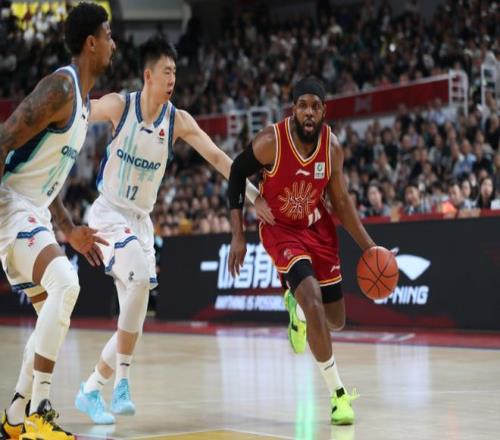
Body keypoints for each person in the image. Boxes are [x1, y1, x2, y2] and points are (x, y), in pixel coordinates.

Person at [74, 37, 273, 425]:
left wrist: (253, 197)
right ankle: (122, 383)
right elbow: (78, 112)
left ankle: (91, 389)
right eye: (167, 72)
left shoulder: (177, 120)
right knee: (137, 280)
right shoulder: (120, 106)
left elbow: (218, 157)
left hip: (141, 221)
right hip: (108, 213)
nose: (173, 80)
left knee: (134, 316)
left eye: (175, 73)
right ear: (148, 75)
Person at [227, 77, 377, 425]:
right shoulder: (271, 141)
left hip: (317, 228)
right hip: (280, 229)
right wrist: (238, 234)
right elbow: (236, 173)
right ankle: (338, 396)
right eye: (303, 105)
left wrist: (369, 248)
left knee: (335, 320)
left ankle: (297, 310)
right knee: (312, 299)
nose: (309, 112)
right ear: (293, 109)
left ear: (324, 111)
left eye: (315, 106)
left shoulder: (332, 148)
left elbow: (340, 201)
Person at [0, 3, 115, 439]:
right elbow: (3, 140)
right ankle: (40, 410)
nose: (114, 44)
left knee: (54, 309)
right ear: (91, 42)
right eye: (108, 36)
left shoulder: (82, 107)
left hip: (34, 211)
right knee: (66, 284)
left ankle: (15, 417)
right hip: (11, 206)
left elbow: (50, 180)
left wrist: (67, 230)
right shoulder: (61, 87)